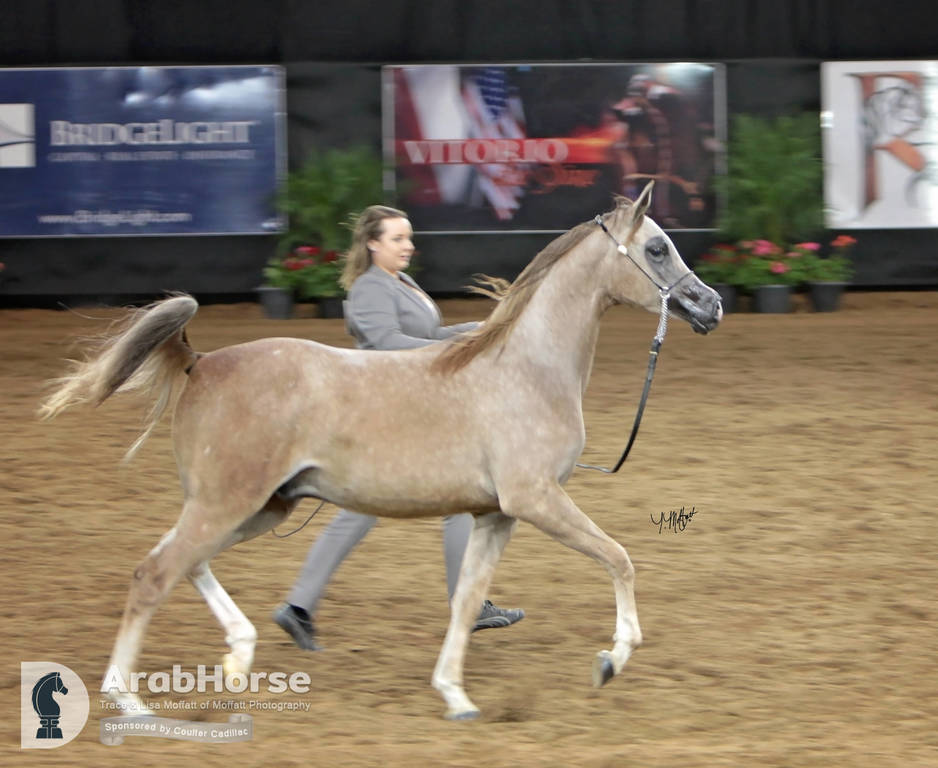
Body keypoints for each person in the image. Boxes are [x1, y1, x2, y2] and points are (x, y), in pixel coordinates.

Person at [273, 204, 524, 650]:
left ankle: (299, 606)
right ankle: (466, 605)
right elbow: (386, 343)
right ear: (373, 243)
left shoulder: (400, 281)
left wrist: (479, 331)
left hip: (404, 408)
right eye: (397, 239)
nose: (408, 245)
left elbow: (430, 332)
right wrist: (457, 351)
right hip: (384, 411)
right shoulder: (370, 287)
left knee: (369, 511)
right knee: (457, 499)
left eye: (408, 237)